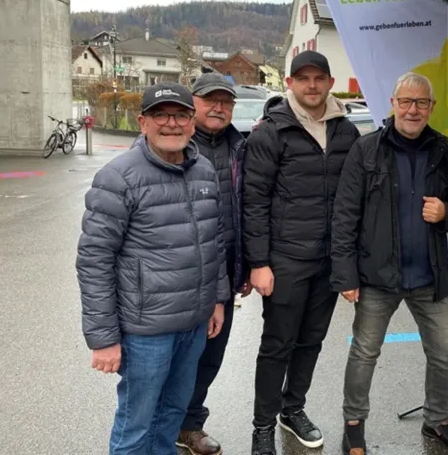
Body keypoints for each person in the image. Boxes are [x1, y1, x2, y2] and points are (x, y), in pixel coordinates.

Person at [76, 83, 230, 455]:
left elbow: (213, 242)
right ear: (143, 122)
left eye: (180, 115)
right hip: (145, 332)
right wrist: (103, 338)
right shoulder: (119, 178)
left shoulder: (204, 171)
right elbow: (94, 259)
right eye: (161, 114)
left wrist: (218, 299)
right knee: (136, 424)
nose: (171, 124)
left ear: (192, 123)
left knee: (172, 415)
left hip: (192, 325)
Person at [331, 72, 448, 455]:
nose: (413, 109)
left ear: (432, 108)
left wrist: (447, 211)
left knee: (444, 353)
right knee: (364, 352)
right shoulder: (367, 150)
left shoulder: (444, 152)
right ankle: (354, 423)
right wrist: (345, 273)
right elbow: (345, 213)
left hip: (430, 275)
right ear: (393, 104)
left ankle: (438, 420)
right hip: (378, 275)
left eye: (421, 102)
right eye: (406, 102)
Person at [243, 50, 360, 455]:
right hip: (286, 260)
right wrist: (259, 263)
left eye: (319, 78)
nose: (312, 85)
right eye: (303, 78)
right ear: (289, 83)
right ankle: (262, 426)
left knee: (311, 342)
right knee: (277, 344)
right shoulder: (271, 132)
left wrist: (350, 262)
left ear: (330, 82)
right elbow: (253, 200)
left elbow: (356, 201)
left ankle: (293, 411)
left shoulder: (347, 133)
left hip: (328, 261)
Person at [177, 73, 250, 455]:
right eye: (211, 100)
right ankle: (160, 425)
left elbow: (251, 209)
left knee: (210, 356)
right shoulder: (174, 145)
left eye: (226, 102)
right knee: (174, 358)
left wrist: (248, 264)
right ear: (194, 102)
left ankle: (189, 425)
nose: (219, 107)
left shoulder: (242, 148)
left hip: (224, 274)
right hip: (181, 277)